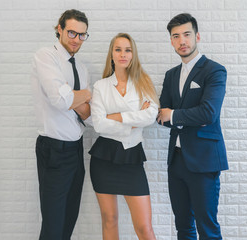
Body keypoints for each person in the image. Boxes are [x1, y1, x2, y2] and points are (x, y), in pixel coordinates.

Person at [157, 13, 228, 239]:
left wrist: (175, 115)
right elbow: (161, 114)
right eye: (176, 36)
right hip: (176, 161)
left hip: (204, 161)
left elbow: (209, 112)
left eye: (186, 34)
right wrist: (169, 115)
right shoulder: (171, 75)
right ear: (171, 41)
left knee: (207, 228)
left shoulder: (214, 70)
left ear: (197, 36)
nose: (182, 41)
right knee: (183, 227)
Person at [89, 33, 158, 240]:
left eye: (128, 50)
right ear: (111, 54)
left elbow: (151, 115)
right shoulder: (100, 86)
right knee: (109, 220)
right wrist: (133, 124)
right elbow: (99, 124)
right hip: (104, 158)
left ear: (133, 54)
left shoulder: (143, 83)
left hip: (132, 158)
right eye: (118, 49)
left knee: (144, 227)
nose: (123, 54)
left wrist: (117, 116)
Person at [31, 9, 91, 240]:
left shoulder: (82, 68)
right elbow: (60, 99)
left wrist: (73, 94)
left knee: (69, 218)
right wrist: (83, 94)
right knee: (54, 225)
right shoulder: (46, 56)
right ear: (60, 29)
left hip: (76, 149)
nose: (76, 39)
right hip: (54, 149)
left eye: (82, 35)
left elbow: (87, 115)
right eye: (72, 33)